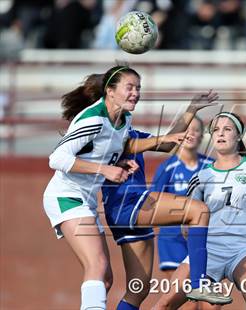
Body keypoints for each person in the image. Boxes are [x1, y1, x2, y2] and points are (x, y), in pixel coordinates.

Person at [43, 65, 230, 310]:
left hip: (93, 201)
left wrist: (191, 110)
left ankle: (197, 281)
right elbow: (56, 159)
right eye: (129, 87)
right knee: (98, 266)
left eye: (138, 88)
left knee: (120, 283)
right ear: (110, 91)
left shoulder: (123, 121)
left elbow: (154, 145)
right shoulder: (94, 119)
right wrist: (107, 169)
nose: (135, 93)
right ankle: (198, 282)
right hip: (70, 197)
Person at [154, 112, 246, 310]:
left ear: (238, 136)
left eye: (227, 129)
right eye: (216, 130)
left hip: (245, 248)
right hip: (207, 250)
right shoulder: (202, 177)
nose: (220, 134)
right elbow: (188, 214)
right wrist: (186, 227)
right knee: (165, 304)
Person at [150, 117, 213, 310]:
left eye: (196, 130)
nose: (190, 134)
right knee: (188, 304)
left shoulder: (211, 166)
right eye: (186, 129)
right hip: (173, 241)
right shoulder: (168, 168)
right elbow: (153, 203)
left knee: (211, 303)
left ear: (202, 135)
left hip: (204, 241)